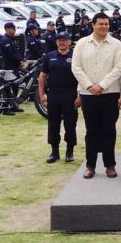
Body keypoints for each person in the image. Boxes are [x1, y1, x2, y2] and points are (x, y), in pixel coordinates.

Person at [71, 12, 121, 179]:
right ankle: (90, 165)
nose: (104, 27)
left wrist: (101, 85)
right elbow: (76, 67)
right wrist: (89, 86)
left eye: (106, 24)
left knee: (109, 130)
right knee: (92, 131)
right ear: (93, 25)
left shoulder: (116, 44)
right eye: (100, 24)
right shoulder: (82, 43)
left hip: (109, 93)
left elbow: (118, 68)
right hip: (88, 94)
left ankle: (110, 165)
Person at [38, 32, 81, 164]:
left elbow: (82, 78)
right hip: (54, 95)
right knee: (53, 124)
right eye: (59, 40)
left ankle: (69, 151)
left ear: (69, 42)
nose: (62, 43)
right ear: (56, 42)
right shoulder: (50, 56)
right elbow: (42, 77)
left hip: (70, 95)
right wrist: (42, 95)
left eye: (64, 40)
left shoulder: (76, 56)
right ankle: (54, 152)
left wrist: (80, 97)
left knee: (70, 124)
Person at [0, 22, 24, 115]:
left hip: (14, 66)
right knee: (7, 88)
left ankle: (13, 105)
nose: (14, 30)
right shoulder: (5, 40)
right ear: (7, 29)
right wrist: (19, 61)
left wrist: (19, 61)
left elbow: (16, 52)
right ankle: (5, 109)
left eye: (15, 28)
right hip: (8, 67)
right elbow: (11, 54)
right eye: (13, 28)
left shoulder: (11, 39)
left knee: (15, 86)